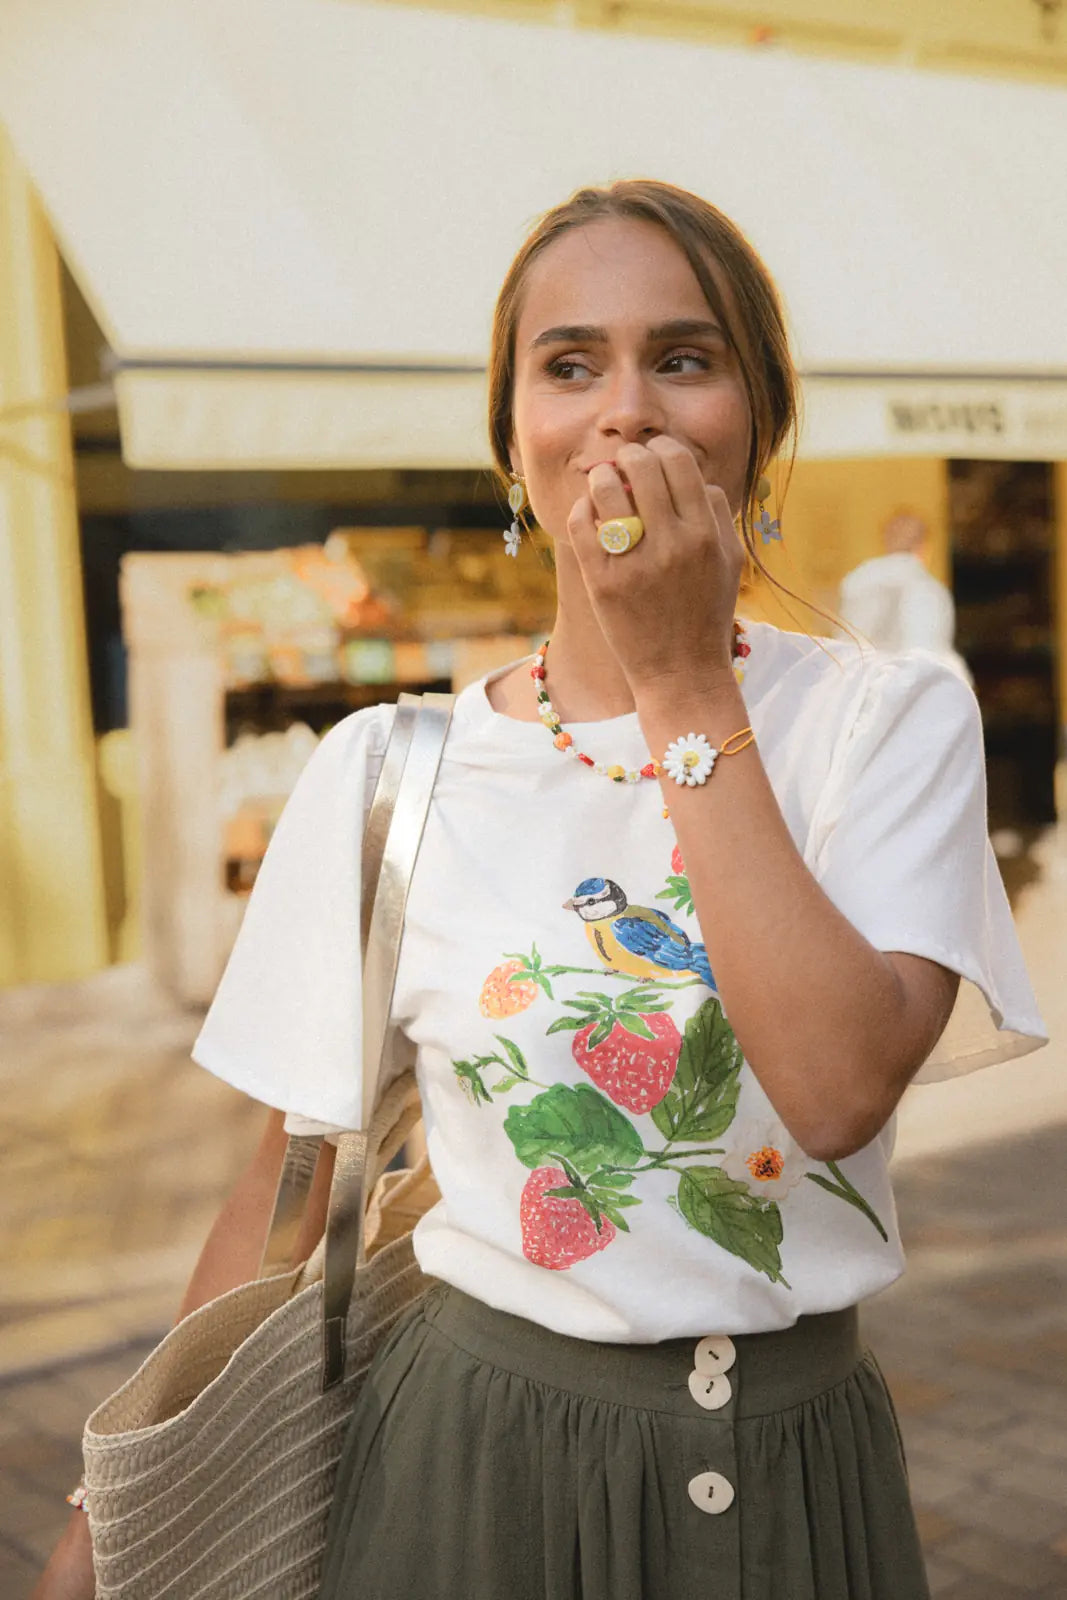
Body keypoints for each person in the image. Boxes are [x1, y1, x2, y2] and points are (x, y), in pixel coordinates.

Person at [38, 180, 1046, 1600]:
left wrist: (682, 680)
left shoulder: (886, 721)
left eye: (680, 359)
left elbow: (833, 1088)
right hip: (468, 1475)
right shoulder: (382, 770)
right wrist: (105, 1525)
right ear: (514, 440)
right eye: (567, 365)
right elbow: (286, 1172)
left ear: (757, 423)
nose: (621, 409)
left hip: (791, 1486)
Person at [837, 510, 973, 682]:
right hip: (912, 689)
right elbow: (931, 652)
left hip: (864, 686)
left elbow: (847, 644)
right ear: (923, 546)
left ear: (886, 540)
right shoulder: (929, 589)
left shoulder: (857, 580)